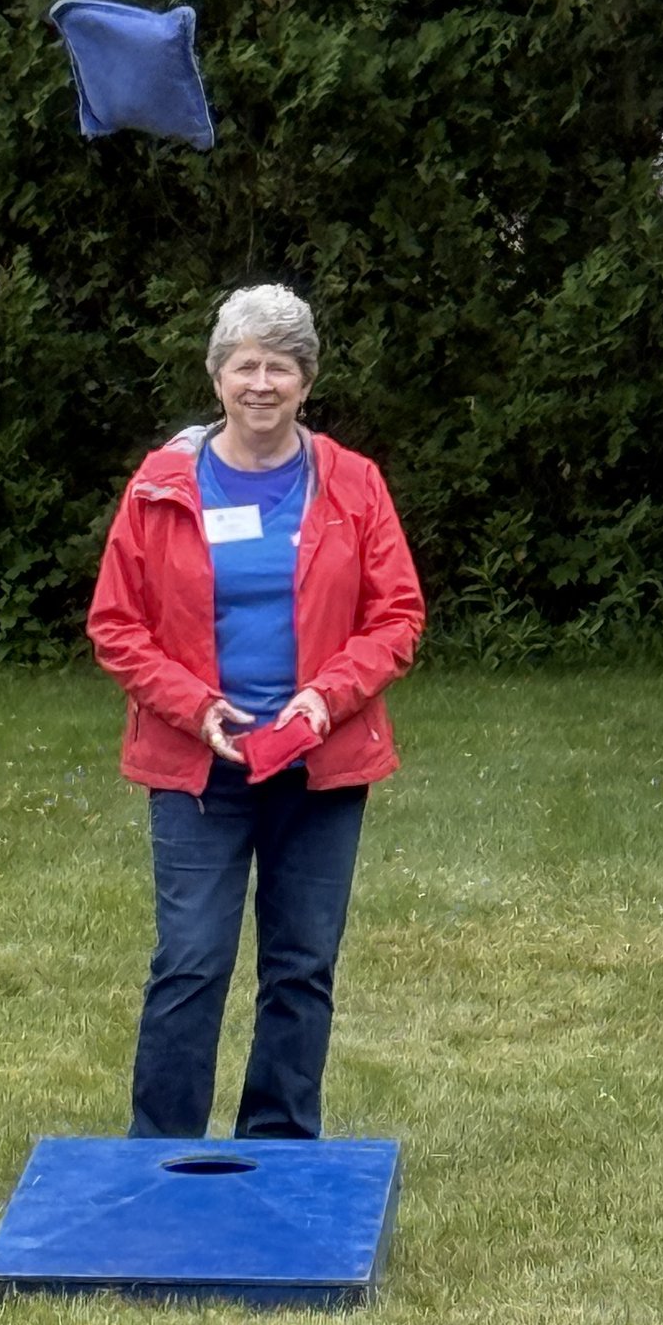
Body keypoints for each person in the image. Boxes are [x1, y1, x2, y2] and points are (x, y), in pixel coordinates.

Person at [86, 284, 423, 1141]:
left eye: (280, 366)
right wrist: (195, 707)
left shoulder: (352, 483)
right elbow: (116, 626)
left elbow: (396, 617)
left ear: (306, 380)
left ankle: (277, 1148)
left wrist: (324, 699)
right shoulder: (163, 482)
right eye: (245, 365)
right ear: (218, 376)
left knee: (300, 968)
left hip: (320, 762)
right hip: (199, 764)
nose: (262, 383)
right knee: (190, 963)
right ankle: (161, 1151)